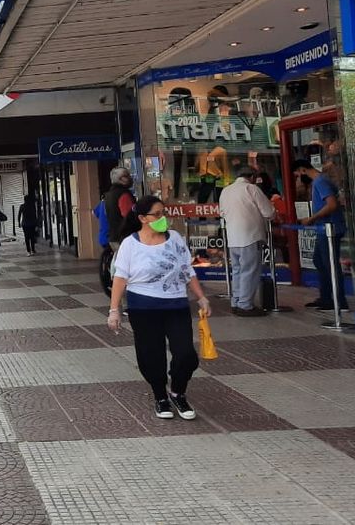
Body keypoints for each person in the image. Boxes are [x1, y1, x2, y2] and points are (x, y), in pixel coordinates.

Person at [108, 196, 211, 420]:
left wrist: (201, 297)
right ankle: (160, 396)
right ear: (143, 218)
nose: (163, 218)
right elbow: (120, 277)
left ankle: (178, 392)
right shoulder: (130, 244)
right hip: (143, 307)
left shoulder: (175, 238)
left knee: (186, 354)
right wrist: (114, 310)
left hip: (176, 305)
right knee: (151, 355)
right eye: (157, 214)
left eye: (164, 213)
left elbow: (187, 270)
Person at [218, 165, 275, 317]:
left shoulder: (226, 190)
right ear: (252, 177)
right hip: (250, 236)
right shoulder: (251, 189)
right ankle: (245, 305)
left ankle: (236, 301)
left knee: (237, 271)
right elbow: (269, 212)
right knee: (250, 271)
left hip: (233, 238)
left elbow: (222, 213)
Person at [292, 160, 348, 310]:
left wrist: (312, 218)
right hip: (323, 228)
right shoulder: (320, 181)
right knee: (319, 260)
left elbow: (332, 204)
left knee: (330, 264)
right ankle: (326, 296)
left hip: (329, 228)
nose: (298, 179)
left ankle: (339, 300)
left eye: (297, 175)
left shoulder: (320, 181)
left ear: (303, 170)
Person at [104, 167, 136, 252]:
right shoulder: (123, 194)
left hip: (113, 236)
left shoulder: (109, 195)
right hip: (125, 237)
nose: (130, 177)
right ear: (122, 179)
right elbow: (129, 215)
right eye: (127, 176)